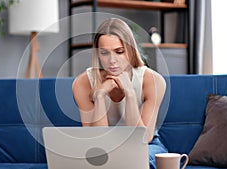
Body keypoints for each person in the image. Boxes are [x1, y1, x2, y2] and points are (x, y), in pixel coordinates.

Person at [72, 18, 168, 169]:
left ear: (130, 51)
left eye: (119, 52)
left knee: (137, 159)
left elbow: (142, 139)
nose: (112, 61)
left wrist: (130, 94)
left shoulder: (153, 81)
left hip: (146, 145)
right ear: (97, 54)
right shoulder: (82, 83)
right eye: (104, 53)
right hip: (103, 147)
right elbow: (98, 139)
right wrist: (99, 96)